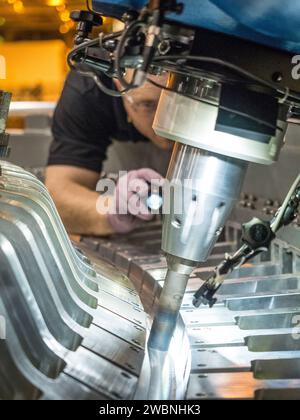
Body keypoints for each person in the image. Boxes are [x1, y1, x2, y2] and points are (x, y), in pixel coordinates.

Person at [45, 70, 172, 236]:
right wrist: (113, 210)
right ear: (119, 85)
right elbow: (59, 196)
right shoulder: (91, 86)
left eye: (178, 104)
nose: (166, 122)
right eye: (148, 105)